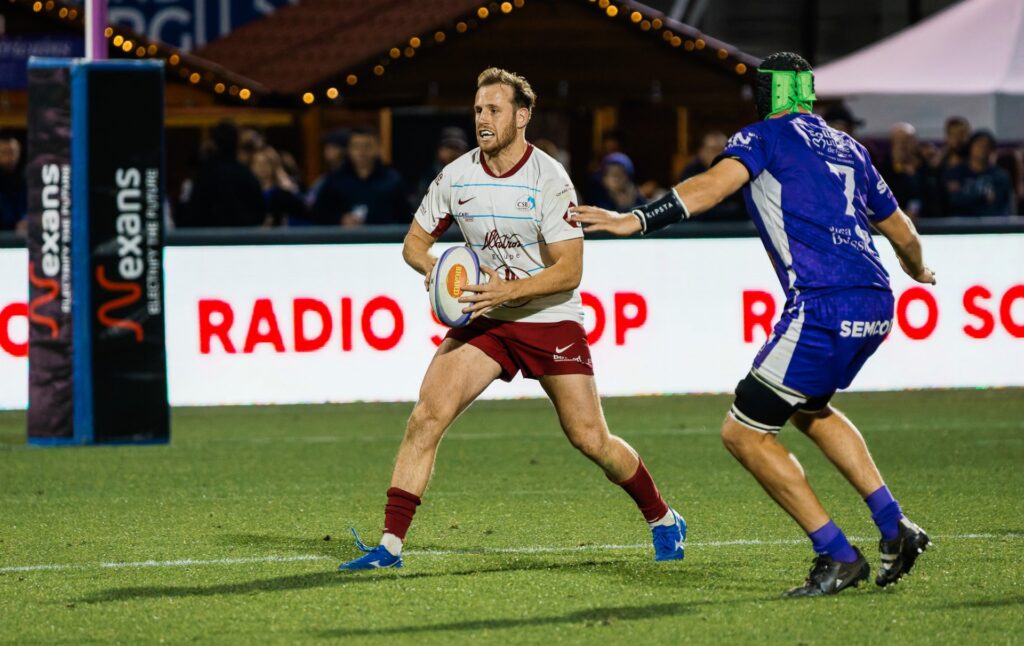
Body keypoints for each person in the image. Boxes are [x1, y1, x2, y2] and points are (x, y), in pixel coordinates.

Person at [573, 52, 934, 597]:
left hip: (823, 303)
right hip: (878, 299)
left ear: (766, 94)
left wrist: (636, 218)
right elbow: (902, 231)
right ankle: (894, 525)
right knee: (809, 408)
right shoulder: (850, 148)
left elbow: (710, 187)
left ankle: (837, 555)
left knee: (743, 433)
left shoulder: (763, 138)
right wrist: (919, 270)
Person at [338, 67, 686, 571]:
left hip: (549, 317)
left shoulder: (549, 179)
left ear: (522, 117)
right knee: (426, 417)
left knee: (591, 439)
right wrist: (437, 269)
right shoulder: (456, 177)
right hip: (487, 318)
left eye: (494, 110)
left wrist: (509, 289)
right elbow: (413, 244)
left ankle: (663, 517)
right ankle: (389, 547)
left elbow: (570, 271)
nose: (483, 119)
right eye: (478, 110)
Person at [311, 126, 410, 226]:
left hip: (384, 234)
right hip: (346, 235)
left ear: (378, 148)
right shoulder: (335, 180)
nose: (361, 152)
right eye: (356, 146)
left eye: (367, 146)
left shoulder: (392, 180)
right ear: (348, 149)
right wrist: (340, 219)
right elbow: (318, 214)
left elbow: (406, 217)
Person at [175, 120, 265, 228]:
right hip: (239, 235)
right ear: (237, 143)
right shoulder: (246, 174)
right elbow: (259, 214)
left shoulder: (204, 174)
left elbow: (194, 212)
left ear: (215, 142)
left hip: (210, 235)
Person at [679, 131, 746, 220]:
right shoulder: (691, 172)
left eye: (722, 149)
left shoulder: (737, 170)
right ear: (701, 152)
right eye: (713, 150)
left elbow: (744, 208)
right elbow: (689, 208)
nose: (718, 154)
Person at [944, 130, 1012, 216]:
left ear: (992, 150)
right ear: (970, 147)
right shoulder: (955, 173)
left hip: (990, 222)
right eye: (979, 145)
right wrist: (982, 197)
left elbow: (997, 205)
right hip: (960, 221)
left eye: (987, 146)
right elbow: (953, 202)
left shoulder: (1000, 176)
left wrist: (966, 198)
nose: (982, 148)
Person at [878, 122, 933, 219]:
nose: (903, 146)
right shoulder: (885, 172)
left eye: (907, 141)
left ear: (915, 142)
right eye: (898, 142)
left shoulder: (927, 169)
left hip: (929, 221)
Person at [251, 146, 308, 226]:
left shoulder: (282, 192)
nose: (261, 167)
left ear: (273, 165)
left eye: (266, 163)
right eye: (257, 163)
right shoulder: (250, 192)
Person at [415, 127, 469, 199]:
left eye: (458, 149)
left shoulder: (472, 177)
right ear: (439, 150)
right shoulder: (429, 176)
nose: (453, 153)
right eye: (449, 147)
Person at [0, 135, 26, 233]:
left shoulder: (27, 176)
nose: (8, 158)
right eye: (3, 152)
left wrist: (25, 219)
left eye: (12, 152)